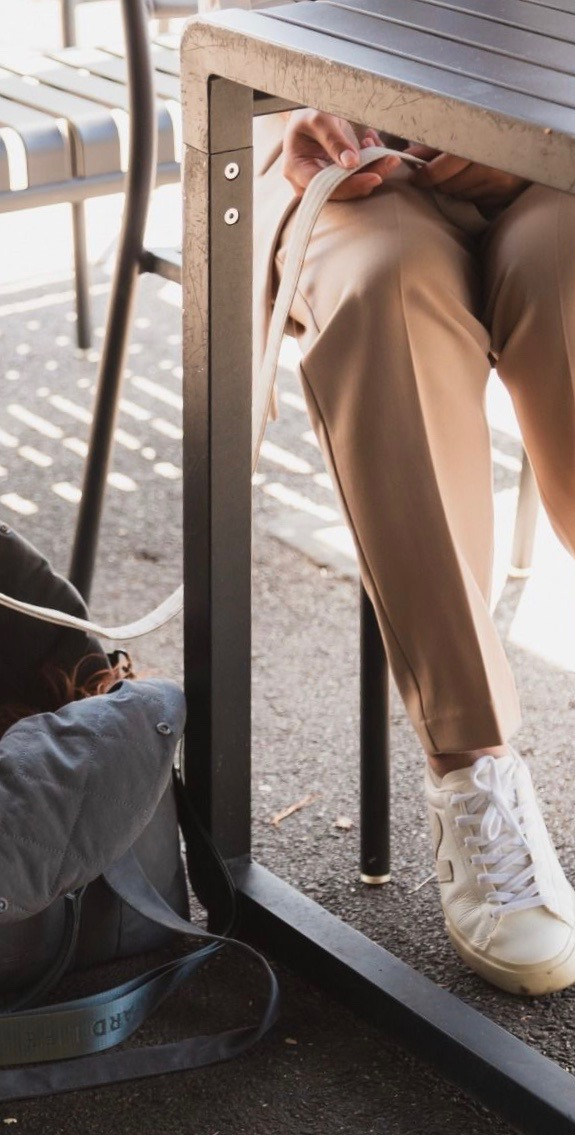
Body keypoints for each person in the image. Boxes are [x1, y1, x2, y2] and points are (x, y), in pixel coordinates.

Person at [252, 109, 575, 995]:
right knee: (386, 291)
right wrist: (300, 105)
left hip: (555, 143)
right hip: (339, 162)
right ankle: (472, 765)